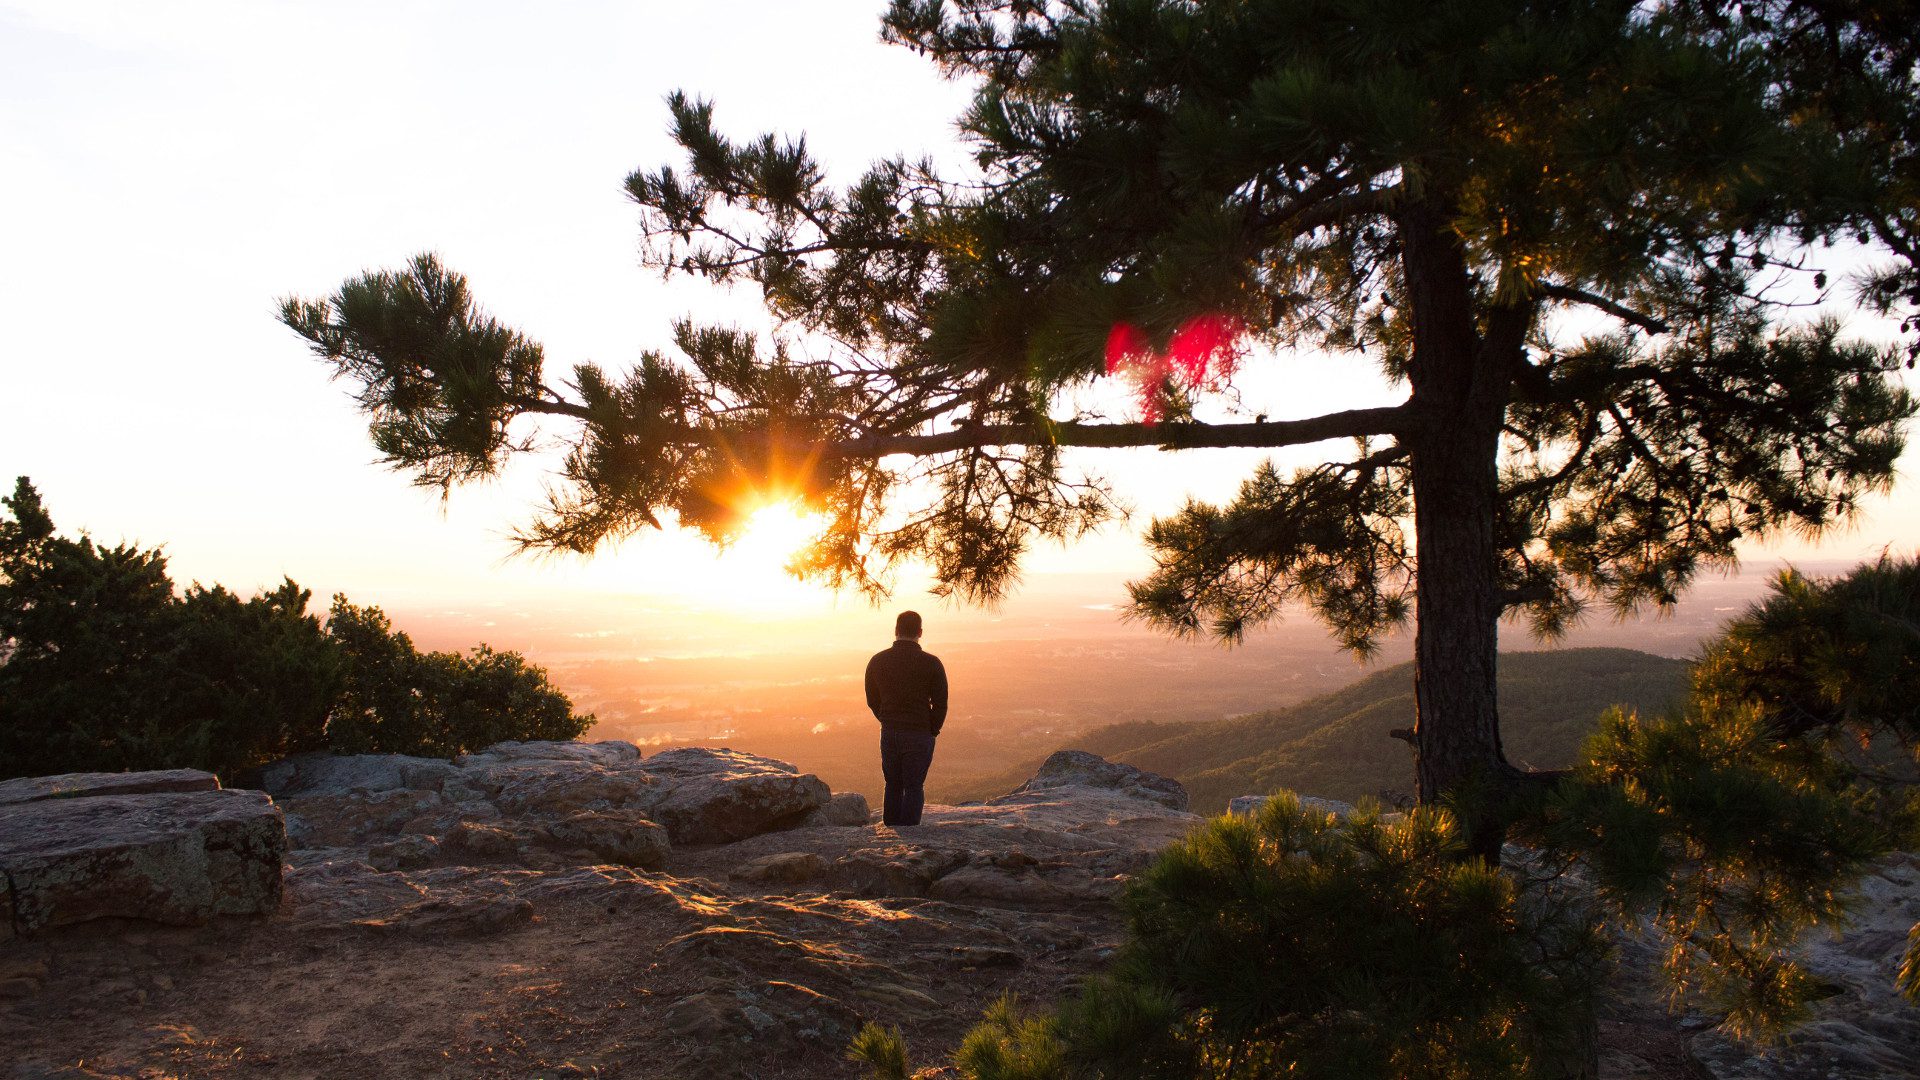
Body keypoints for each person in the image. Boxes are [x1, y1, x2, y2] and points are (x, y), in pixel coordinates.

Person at [864, 610, 948, 827]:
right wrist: (932, 729)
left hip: (890, 731)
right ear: (920, 632)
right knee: (913, 786)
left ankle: (891, 835)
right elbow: (940, 703)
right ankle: (910, 840)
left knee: (892, 784)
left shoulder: (878, 661)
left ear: (896, 631)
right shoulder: (932, 663)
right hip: (919, 733)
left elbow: (872, 699)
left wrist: (886, 719)